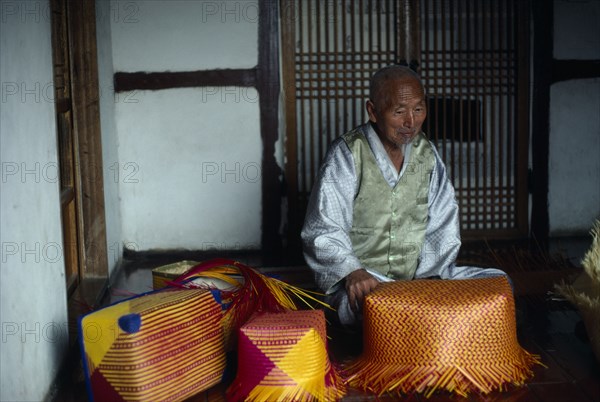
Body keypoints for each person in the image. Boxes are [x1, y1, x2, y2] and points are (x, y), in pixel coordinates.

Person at [301, 65, 508, 326]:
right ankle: (424, 314)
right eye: (399, 112)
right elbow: (323, 228)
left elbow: (443, 221)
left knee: (498, 284)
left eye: (419, 109)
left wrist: (429, 280)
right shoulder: (347, 154)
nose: (411, 122)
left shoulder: (427, 154)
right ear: (373, 111)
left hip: (420, 279)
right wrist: (352, 271)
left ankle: (422, 308)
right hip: (369, 283)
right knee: (369, 309)